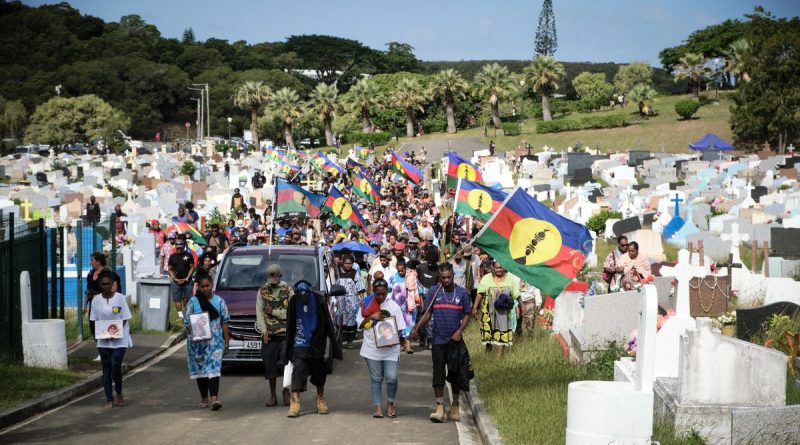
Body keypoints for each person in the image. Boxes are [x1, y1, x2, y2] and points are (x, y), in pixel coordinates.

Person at [411, 263, 471, 423]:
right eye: (443, 278)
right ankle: (440, 407)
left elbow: (467, 314)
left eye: (449, 277)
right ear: (439, 277)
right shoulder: (433, 292)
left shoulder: (462, 293)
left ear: (453, 276)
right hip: (438, 340)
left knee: (455, 373)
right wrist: (416, 328)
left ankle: (455, 405)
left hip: (455, 340)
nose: (446, 280)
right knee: (438, 373)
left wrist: (460, 331)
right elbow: (427, 313)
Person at [283, 280, 342, 418]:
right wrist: (288, 349)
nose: (303, 297)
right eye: (300, 295)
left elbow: (327, 322)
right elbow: (290, 325)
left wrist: (335, 345)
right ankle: (295, 402)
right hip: (299, 342)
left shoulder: (318, 300)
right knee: (298, 369)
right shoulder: (293, 301)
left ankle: (320, 398)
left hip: (316, 342)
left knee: (319, 372)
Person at [356, 278, 406, 418]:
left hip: (390, 350)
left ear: (387, 292)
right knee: (376, 379)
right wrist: (371, 316)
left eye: (383, 293)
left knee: (392, 378)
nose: (381, 296)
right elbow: (360, 325)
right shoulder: (366, 304)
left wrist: (393, 340)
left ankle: (390, 402)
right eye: (378, 294)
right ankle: (377, 407)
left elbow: (400, 328)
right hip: (371, 348)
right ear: (373, 291)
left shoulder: (393, 306)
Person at [183, 275, 231, 410]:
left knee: (214, 369)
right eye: (202, 286)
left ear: (212, 285)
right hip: (197, 344)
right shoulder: (193, 302)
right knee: (201, 370)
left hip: (215, 342)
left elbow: (225, 322)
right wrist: (195, 332)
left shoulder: (220, 302)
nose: (205, 289)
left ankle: (215, 399)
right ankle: (204, 399)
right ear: (199, 287)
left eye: (207, 286)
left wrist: (227, 341)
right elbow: (187, 322)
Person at [89, 270, 133, 409]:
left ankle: (119, 392)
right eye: (103, 284)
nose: (106, 286)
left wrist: (114, 332)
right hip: (103, 339)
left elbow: (125, 318)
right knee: (106, 367)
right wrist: (100, 335)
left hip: (119, 338)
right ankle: (109, 398)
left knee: (115, 365)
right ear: (100, 285)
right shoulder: (96, 300)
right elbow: (94, 320)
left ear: (112, 284)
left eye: (108, 284)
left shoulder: (120, 298)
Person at [257, 264, 293, 408]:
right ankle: (273, 395)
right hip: (270, 335)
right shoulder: (262, 291)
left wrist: (274, 312)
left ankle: (286, 391)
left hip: (285, 334)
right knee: (270, 365)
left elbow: (291, 312)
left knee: (286, 364)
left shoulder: (288, 290)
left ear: (280, 276)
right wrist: (263, 331)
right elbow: (260, 312)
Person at [473, 261, 520, 356]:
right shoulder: (486, 278)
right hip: (488, 311)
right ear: (493, 268)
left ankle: (499, 356)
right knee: (489, 332)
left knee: (502, 331)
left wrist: (520, 307)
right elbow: (479, 293)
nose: (499, 270)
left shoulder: (510, 279)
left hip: (503, 312)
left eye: (501, 267)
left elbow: (516, 295)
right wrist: (475, 307)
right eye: (497, 268)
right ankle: (488, 349)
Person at [85, 252, 121, 340]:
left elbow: (114, 289)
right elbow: (88, 291)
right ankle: (99, 344)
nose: (90, 262)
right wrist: (85, 305)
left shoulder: (108, 274)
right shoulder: (90, 274)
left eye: (92, 260)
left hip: (106, 304)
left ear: (98, 262)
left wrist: (99, 296)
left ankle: (108, 344)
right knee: (93, 325)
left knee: (106, 325)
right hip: (94, 305)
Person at [337, 254, 366, 349]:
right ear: (343, 263)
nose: (348, 265)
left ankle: (349, 341)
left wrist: (362, 300)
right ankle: (340, 342)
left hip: (352, 302)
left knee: (351, 322)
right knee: (340, 321)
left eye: (350, 264)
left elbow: (360, 287)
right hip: (340, 301)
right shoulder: (337, 272)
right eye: (346, 263)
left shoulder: (354, 273)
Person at [168, 235, 195, 320]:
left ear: (184, 246)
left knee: (188, 299)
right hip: (176, 282)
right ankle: (180, 316)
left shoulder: (189, 255)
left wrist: (187, 278)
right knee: (177, 299)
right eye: (177, 246)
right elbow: (170, 269)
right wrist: (174, 278)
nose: (179, 248)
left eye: (180, 246)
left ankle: (187, 314)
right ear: (175, 247)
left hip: (187, 282)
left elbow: (192, 267)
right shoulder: (172, 257)